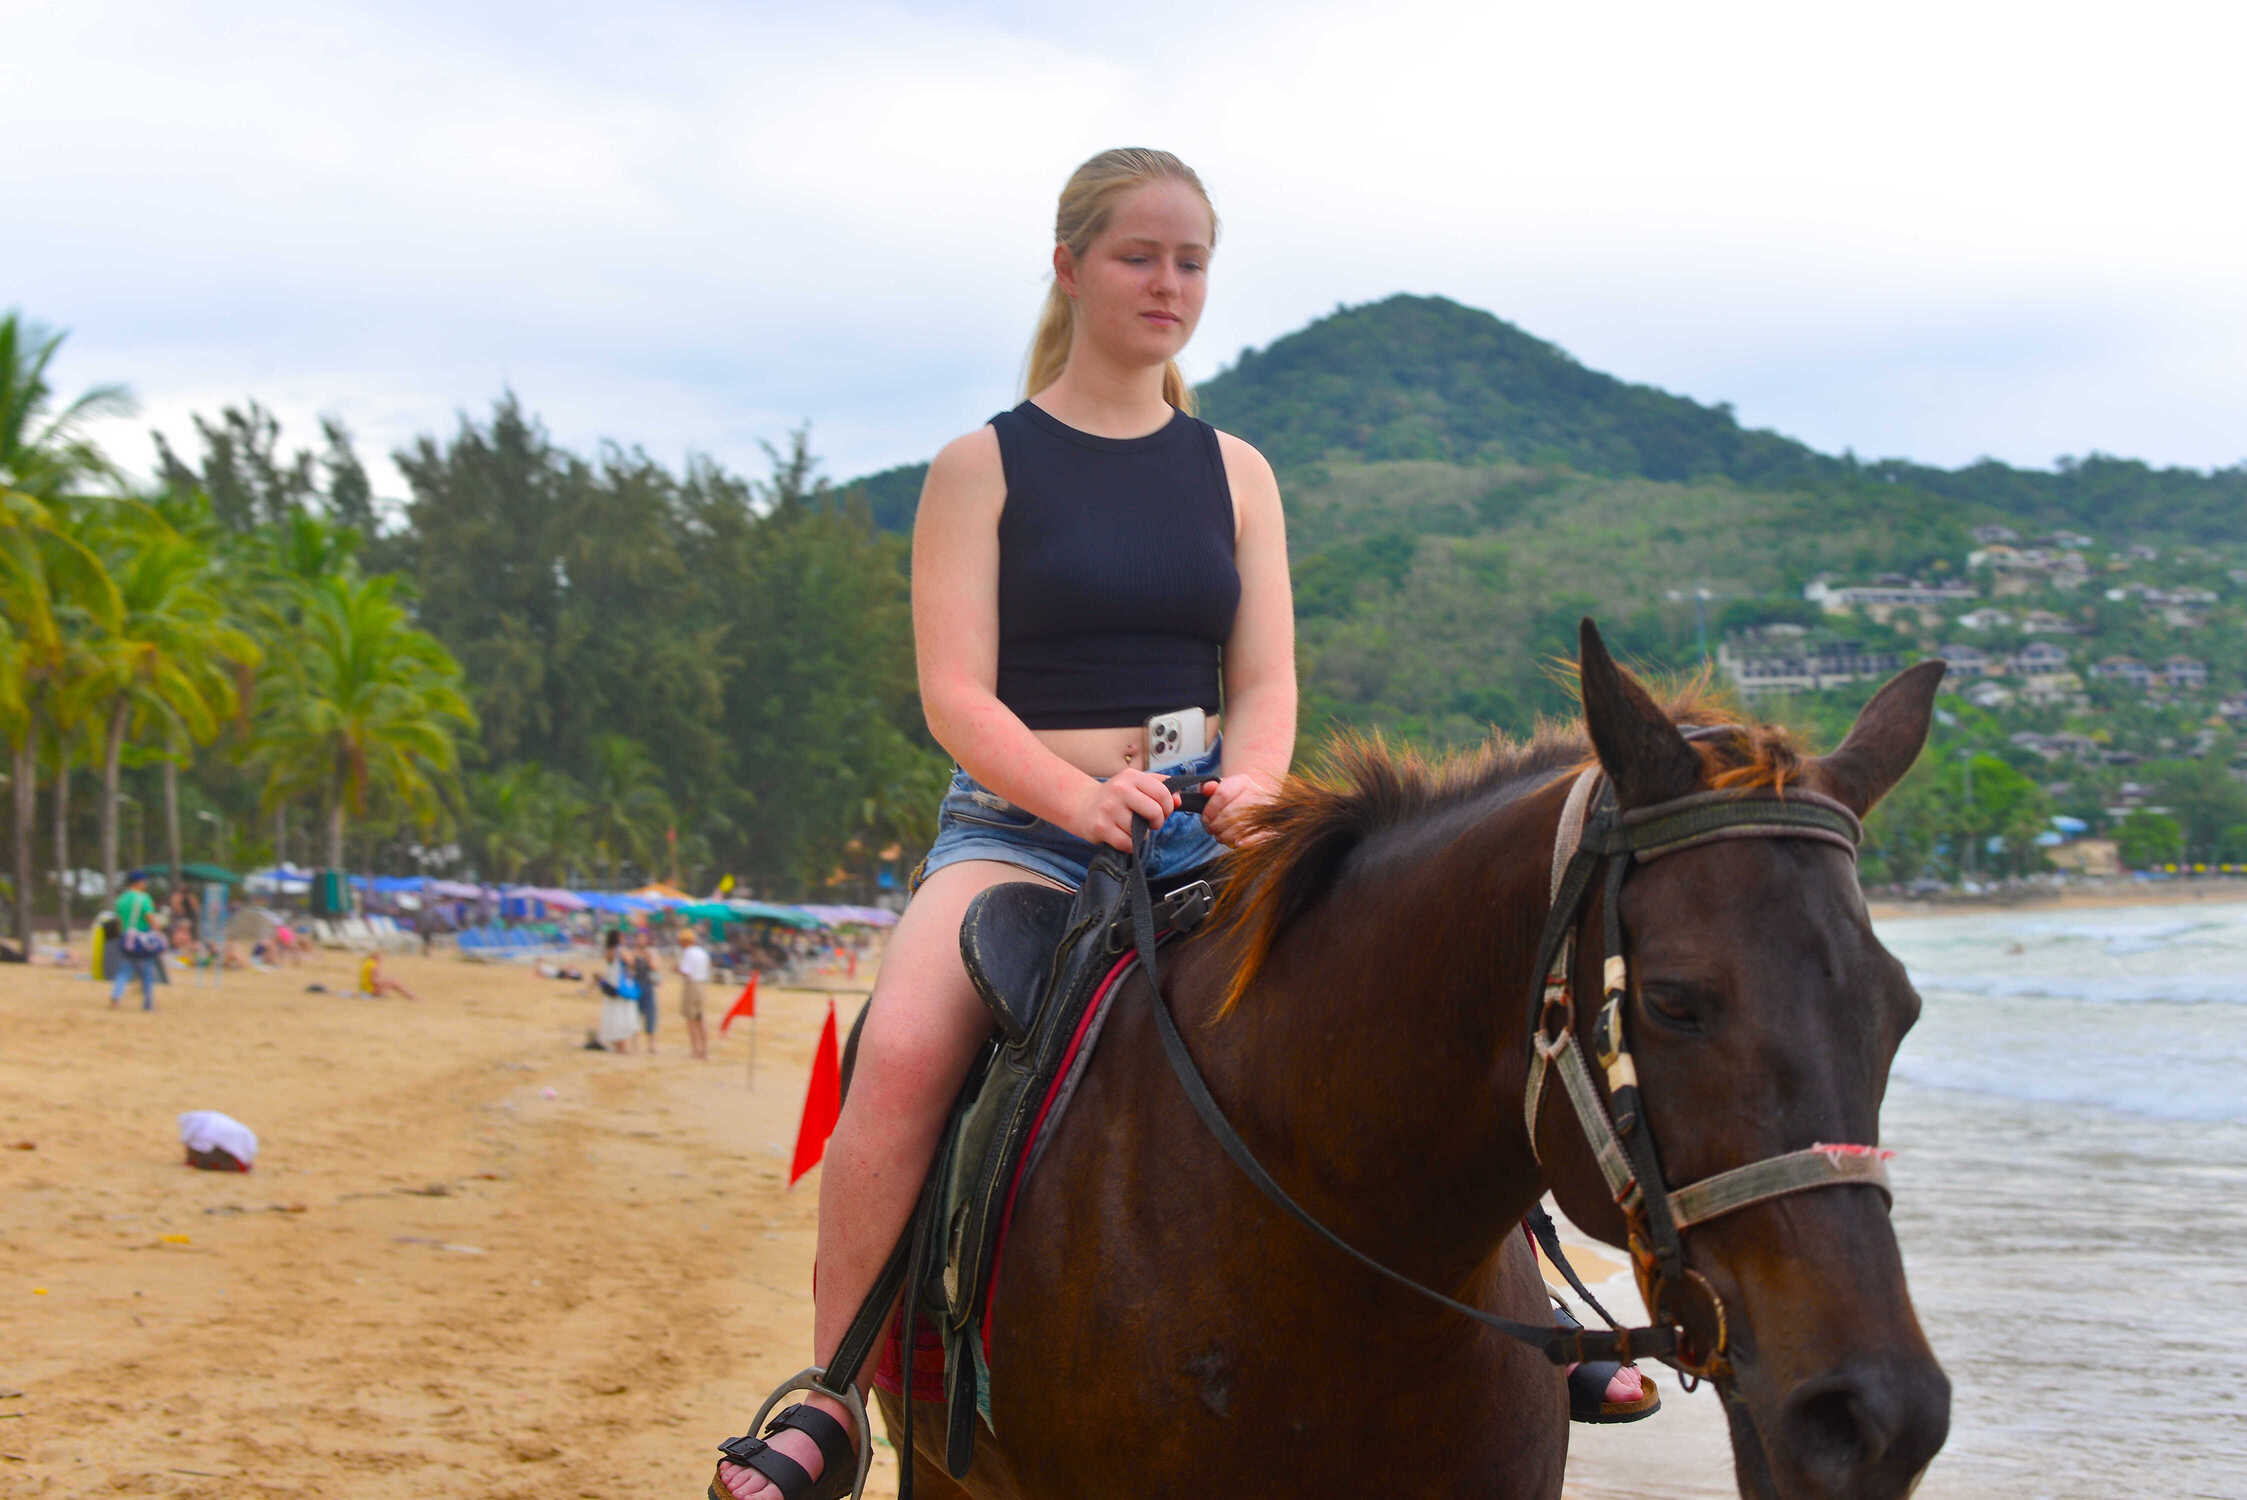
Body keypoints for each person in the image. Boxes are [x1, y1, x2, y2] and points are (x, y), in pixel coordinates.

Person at [715, 147, 1298, 1500]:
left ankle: (1506, 1313)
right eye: (1137, 255)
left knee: (1381, 986)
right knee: (906, 1050)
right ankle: (833, 1398)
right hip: (1015, 835)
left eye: (1190, 259)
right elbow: (953, 696)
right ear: (1069, 266)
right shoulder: (981, 466)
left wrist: (1254, 785)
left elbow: (1262, 684)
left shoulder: (1237, 473)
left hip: (1207, 828)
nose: (1166, 282)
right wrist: (1076, 796)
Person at [109, 871, 163, 1011]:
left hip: (127, 938)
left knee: (124, 970)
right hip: (141, 939)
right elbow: (150, 919)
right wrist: (158, 932)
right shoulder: (143, 898)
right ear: (139, 882)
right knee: (146, 972)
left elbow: (119, 922)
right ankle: (148, 1003)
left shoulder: (121, 899)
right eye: (144, 881)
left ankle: (116, 996)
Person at [594, 930, 639, 1052]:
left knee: (612, 1016)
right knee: (622, 1016)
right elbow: (631, 962)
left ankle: (617, 1045)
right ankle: (622, 1046)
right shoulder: (621, 950)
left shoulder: (609, 951)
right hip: (621, 986)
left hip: (611, 984)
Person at [676, 923, 712, 1061]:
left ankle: (695, 1050)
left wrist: (676, 969)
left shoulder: (688, 953)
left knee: (691, 1020)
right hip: (702, 986)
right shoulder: (702, 952)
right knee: (701, 1019)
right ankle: (704, 1050)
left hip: (691, 986)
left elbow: (685, 971)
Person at [630, 929, 659, 1053]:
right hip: (636, 985)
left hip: (648, 986)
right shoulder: (632, 952)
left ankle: (651, 1045)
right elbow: (630, 968)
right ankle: (635, 1044)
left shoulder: (651, 952)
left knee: (650, 1015)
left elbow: (655, 967)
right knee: (634, 1015)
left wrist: (647, 956)